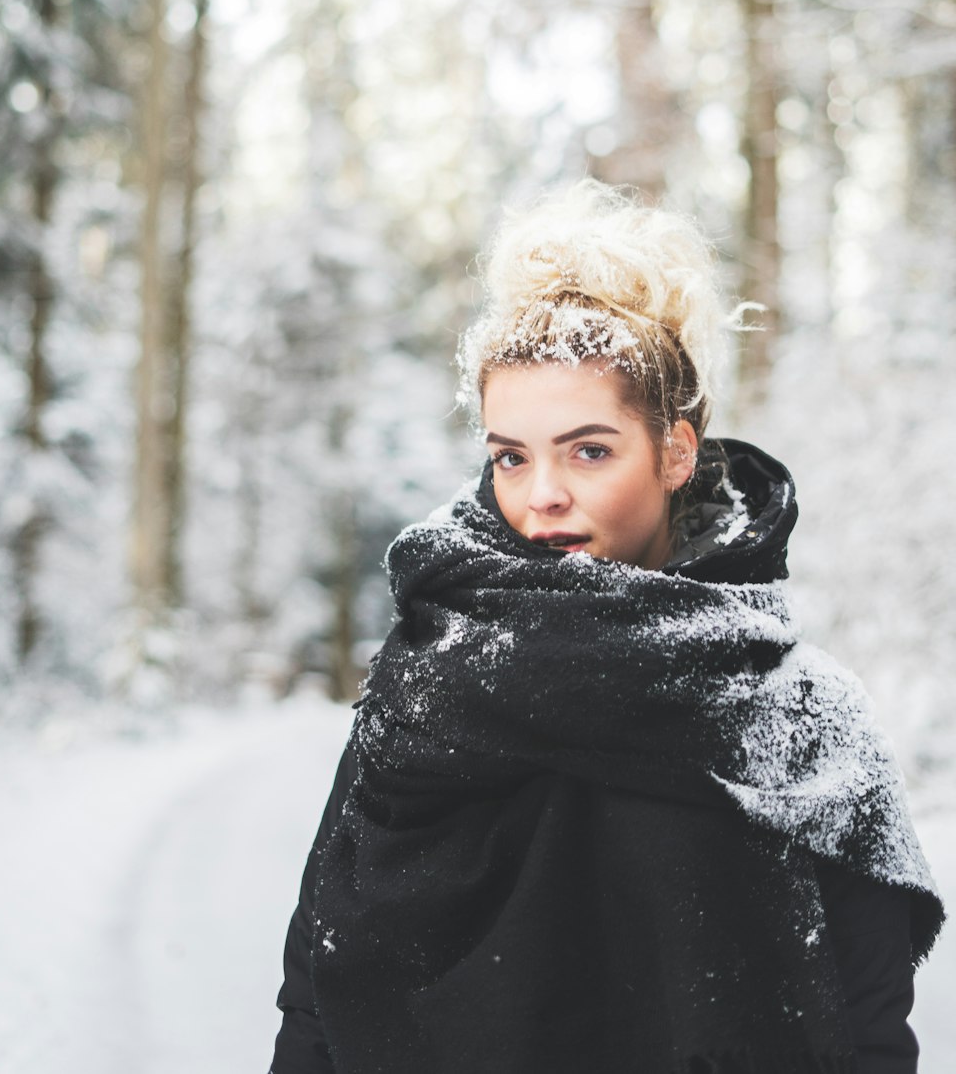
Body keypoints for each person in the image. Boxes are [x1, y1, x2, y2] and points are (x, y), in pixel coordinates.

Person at [267, 181, 944, 1074]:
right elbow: (319, 990)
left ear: (674, 451)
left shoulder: (799, 713)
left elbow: (865, 1032)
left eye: (589, 450)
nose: (541, 494)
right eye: (511, 456)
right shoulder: (433, 676)